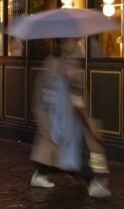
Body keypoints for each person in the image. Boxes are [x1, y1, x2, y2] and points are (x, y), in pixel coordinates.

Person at [29, 38, 111, 198]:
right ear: (63, 43)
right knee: (69, 153)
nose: (74, 44)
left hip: (71, 116)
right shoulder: (53, 62)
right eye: (71, 41)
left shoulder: (70, 59)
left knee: (69, 152)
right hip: (59, 116)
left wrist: (74, 78)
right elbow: (46, 91)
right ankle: (91, 183)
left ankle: (42, 175)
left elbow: (77, 87)